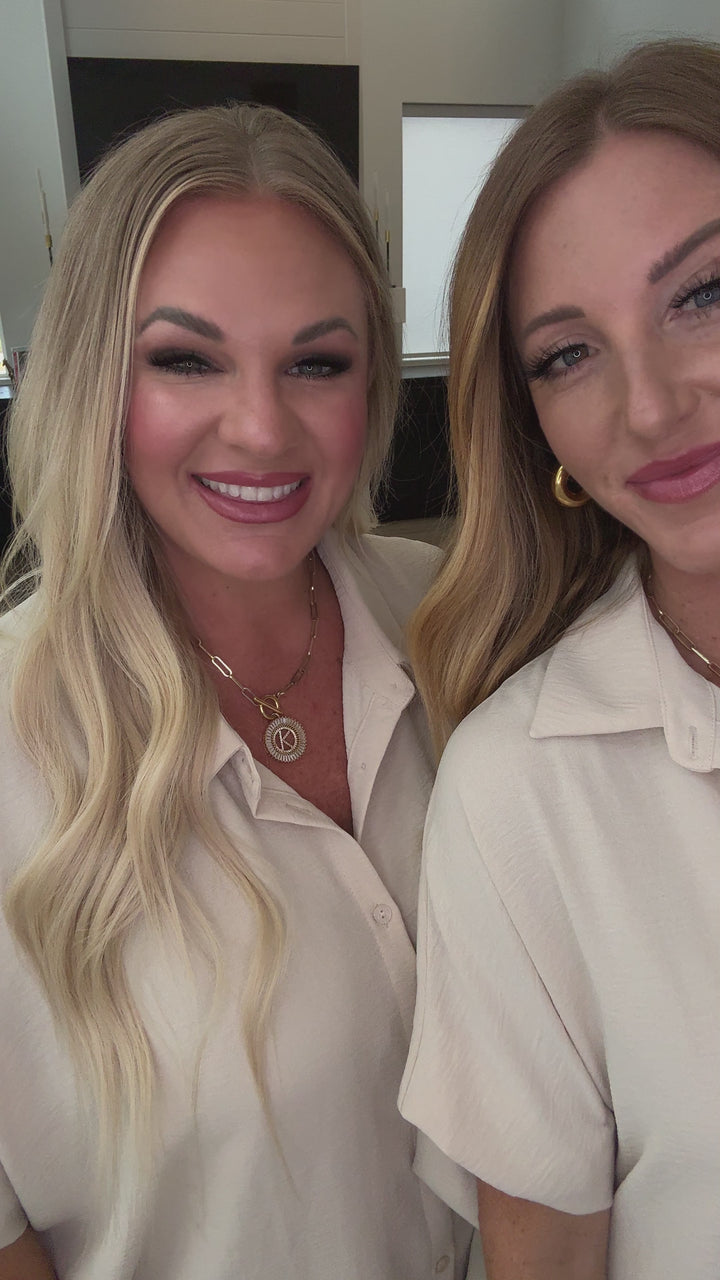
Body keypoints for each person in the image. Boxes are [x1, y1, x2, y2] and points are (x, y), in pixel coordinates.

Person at [0, 103, 474, 1280]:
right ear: (97, 380)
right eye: (185, 359)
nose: (262, 429)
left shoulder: (452, 621)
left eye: (316, 362)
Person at [398, 37, 720, 1280]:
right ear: (536, 428)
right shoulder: (522, 793)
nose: (651, 405)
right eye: (569, 353)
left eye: (702, 293)